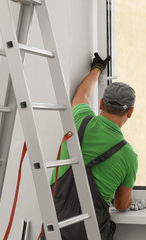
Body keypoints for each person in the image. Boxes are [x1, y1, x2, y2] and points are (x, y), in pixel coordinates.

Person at [48, 53, 138, 240]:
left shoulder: (80, 120)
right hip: (89, 233)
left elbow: (82, 94)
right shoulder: (128, 155)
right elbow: (121, 204)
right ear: (130, 112)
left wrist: (97, 69)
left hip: (55, 225)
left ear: (100, 104)